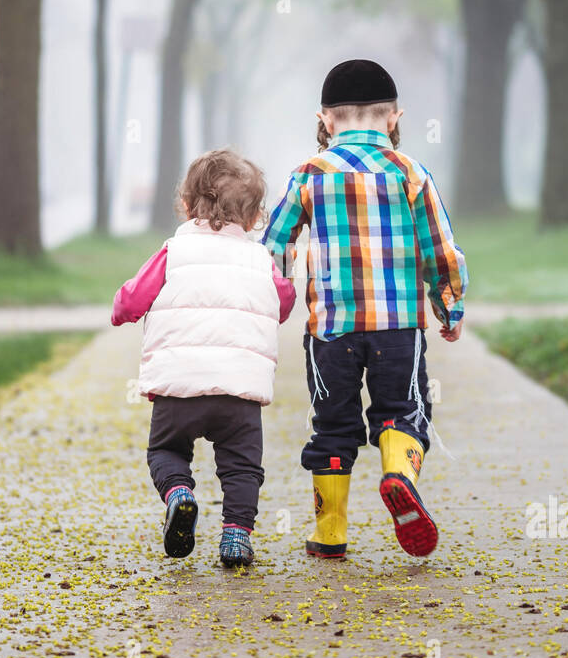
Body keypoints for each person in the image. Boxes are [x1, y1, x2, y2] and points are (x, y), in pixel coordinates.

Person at [261, 58, 467, 559]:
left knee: (331, 425)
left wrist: (269, 302)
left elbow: (275, 248)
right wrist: (449, 306)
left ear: (326, 120)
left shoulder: (309, 174)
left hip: (331, 331)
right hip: (398, 328)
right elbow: (439, 248)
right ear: (393, 118)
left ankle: (330, 533)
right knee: (403, 410)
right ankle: (398, 474)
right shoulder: (411, 173)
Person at [112, 148, 296, 567]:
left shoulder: (172, 252)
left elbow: (132, 298)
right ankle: (235, 538)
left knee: (166, 452)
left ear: (186, 204)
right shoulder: (262, 260)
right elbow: (283, 303)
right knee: (242, 468)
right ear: (253, 219)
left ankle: (179, 494)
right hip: (240, 393)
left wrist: (120, 311)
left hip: (179, 388)